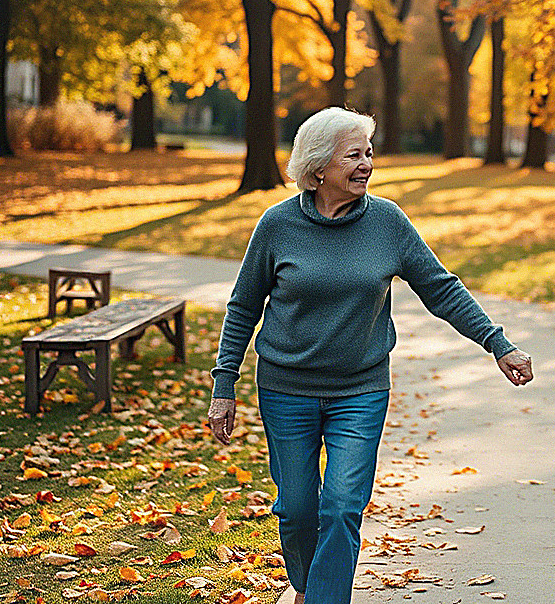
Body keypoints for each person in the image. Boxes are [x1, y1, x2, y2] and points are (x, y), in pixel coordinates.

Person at [207, 108, 534, 604]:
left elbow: (441, 289)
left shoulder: (387, 223)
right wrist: (223, 386)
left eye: (369, 154)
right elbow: (244, 306)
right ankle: (308, 586)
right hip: (285, 389)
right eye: (354, 155)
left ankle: (322, 598)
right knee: (296, 509)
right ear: (318, 169)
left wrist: (497, 343)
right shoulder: (277, 226)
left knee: (340, 506)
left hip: (359, 391)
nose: (367, 165)